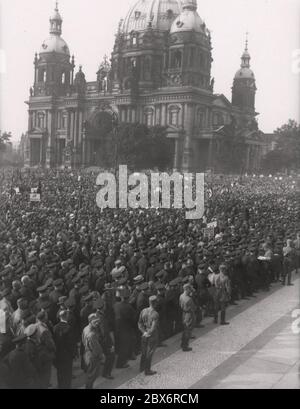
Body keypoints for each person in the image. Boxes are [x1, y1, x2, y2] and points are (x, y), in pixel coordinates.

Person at [53, 310, 75, 389]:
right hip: (67, 355)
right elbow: (70, 343)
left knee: (60, 373)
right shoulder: (69, 328)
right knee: (67, 374)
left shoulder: (55, 327)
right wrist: (73, 354)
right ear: (66, 316)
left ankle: (60, 386)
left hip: (58, 354)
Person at [138, 295, 159, 376]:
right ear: (155, 303)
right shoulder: (155, 314)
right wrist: (149, 333)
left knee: (143, 352)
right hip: (152, 336)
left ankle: (141, 367)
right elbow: (153, 327)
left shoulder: (143, 311)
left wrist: (144, 332)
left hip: (144, 335)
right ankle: (147, 370)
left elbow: (139, 323)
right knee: (149, 353)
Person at [82, 313, 104, 389]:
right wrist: (101, 356)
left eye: (98, 321)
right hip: (93, 355)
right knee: (92, 374)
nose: (97, 323)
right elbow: (96, 348)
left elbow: (83, 340)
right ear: (90, 321)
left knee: (90, 373)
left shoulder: (85, 328)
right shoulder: (92, 334)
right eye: (95, 322)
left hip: (87, 353)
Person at [179, 284, 196, 352]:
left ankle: (182, 343)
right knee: (188, 330)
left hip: (184, 313)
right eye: (190, 289)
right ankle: (185, 346)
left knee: (185, 329)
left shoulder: (181, 296)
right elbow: (194, 308)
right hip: (189, 314)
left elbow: (180, 304)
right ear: (187, 289)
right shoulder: (189, 299)